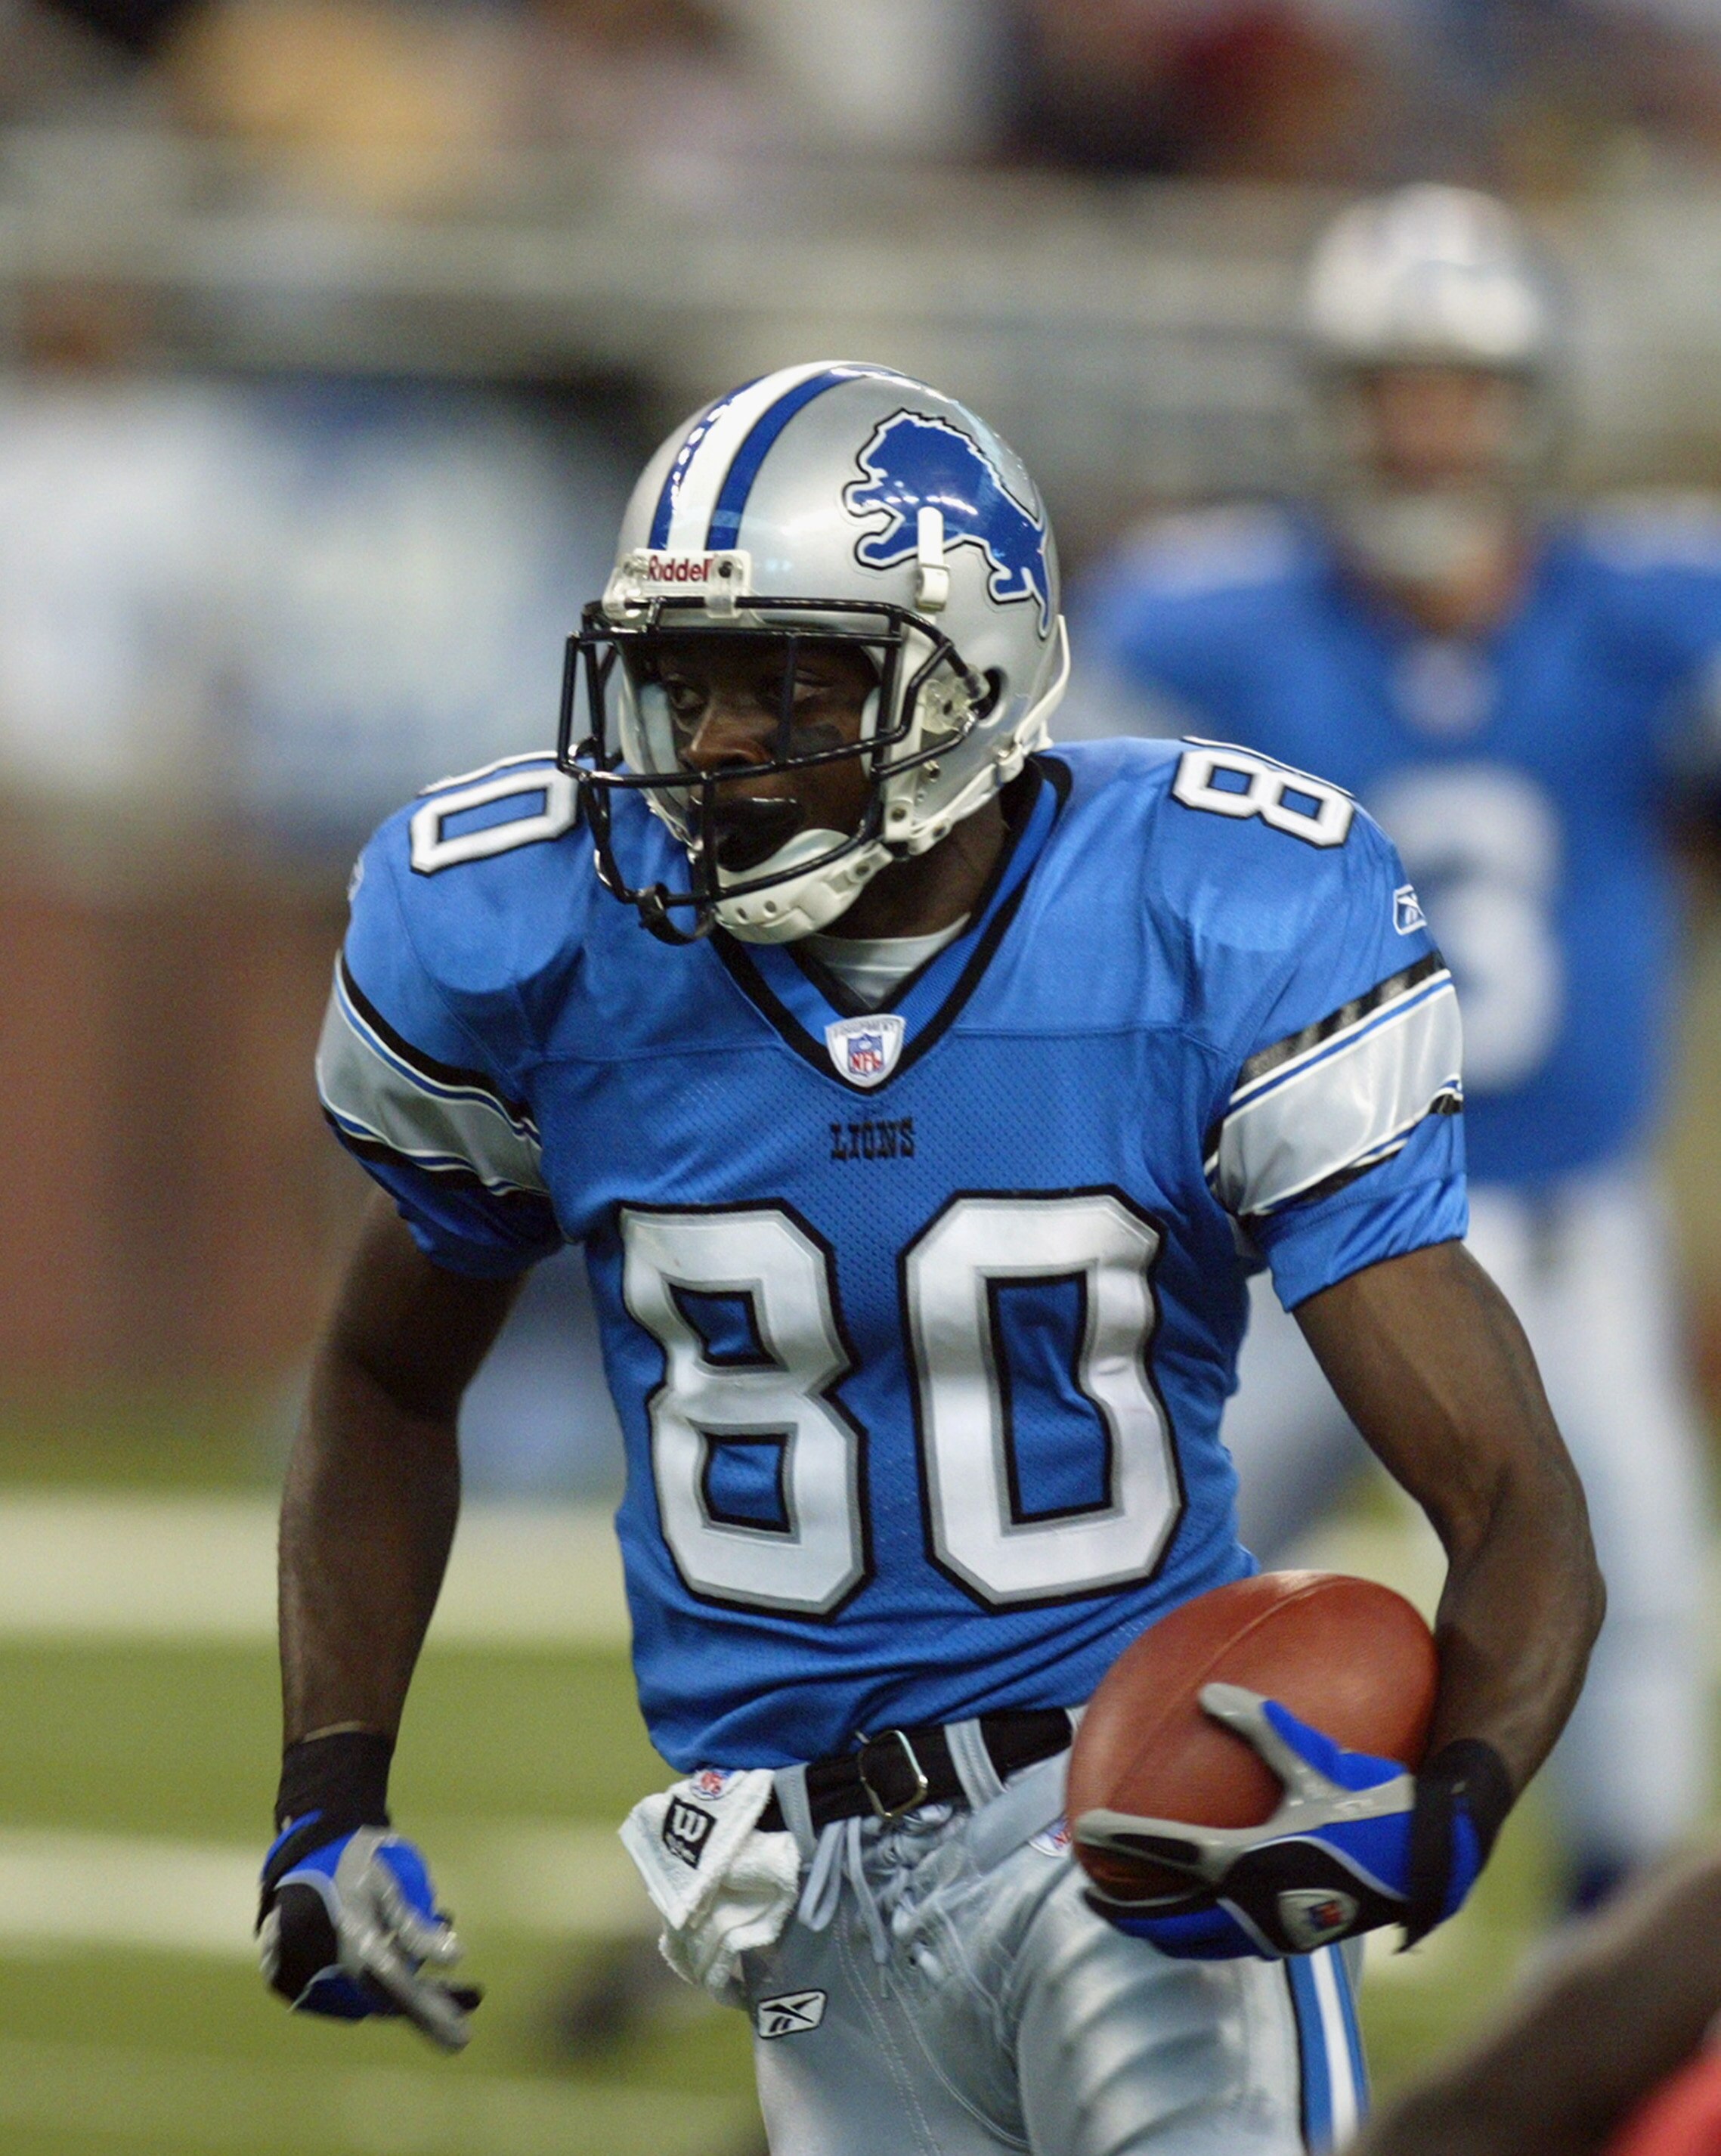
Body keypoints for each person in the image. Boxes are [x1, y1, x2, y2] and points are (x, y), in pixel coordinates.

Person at [259, 361, 1602, 2154]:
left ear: (966, 676)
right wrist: (326, 1793)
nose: (714, 741)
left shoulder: (1203, 912)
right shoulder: (529, 936)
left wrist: (1448, 1807)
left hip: (1126, 1821)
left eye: (785, 680)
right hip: (788, 1888)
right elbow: (379, 1373)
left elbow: (1506, 1488)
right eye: (680, 680)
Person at [1073, 183, 1719, 1912]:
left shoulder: (1646, 609)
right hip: (1302, 1222)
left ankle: (1589, 2002)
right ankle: (992, 1896)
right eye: (1388, 385)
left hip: (1566, 1214)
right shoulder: (1215, 615)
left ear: (1522, 409)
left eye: (1457, 387)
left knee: (1636, 1598)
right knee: (1119, 1564)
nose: (1423, 430)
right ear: (1331, 401)